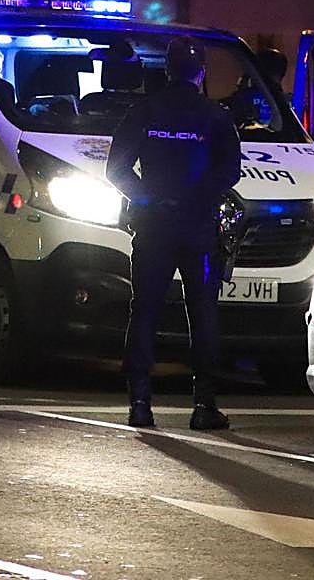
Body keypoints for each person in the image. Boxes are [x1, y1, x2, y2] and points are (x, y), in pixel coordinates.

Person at [106, 36, 242, 431]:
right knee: (202, 313)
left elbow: (115, 169)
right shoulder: (214, 116)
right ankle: (203, 406)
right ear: (200, 72)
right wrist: (193, 197)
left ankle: (141, 402)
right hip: (198, 228)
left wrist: (150, 197)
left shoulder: (143, 112)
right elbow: (230, 170)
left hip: (152, 228)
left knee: (144, 310)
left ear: (166, 70)